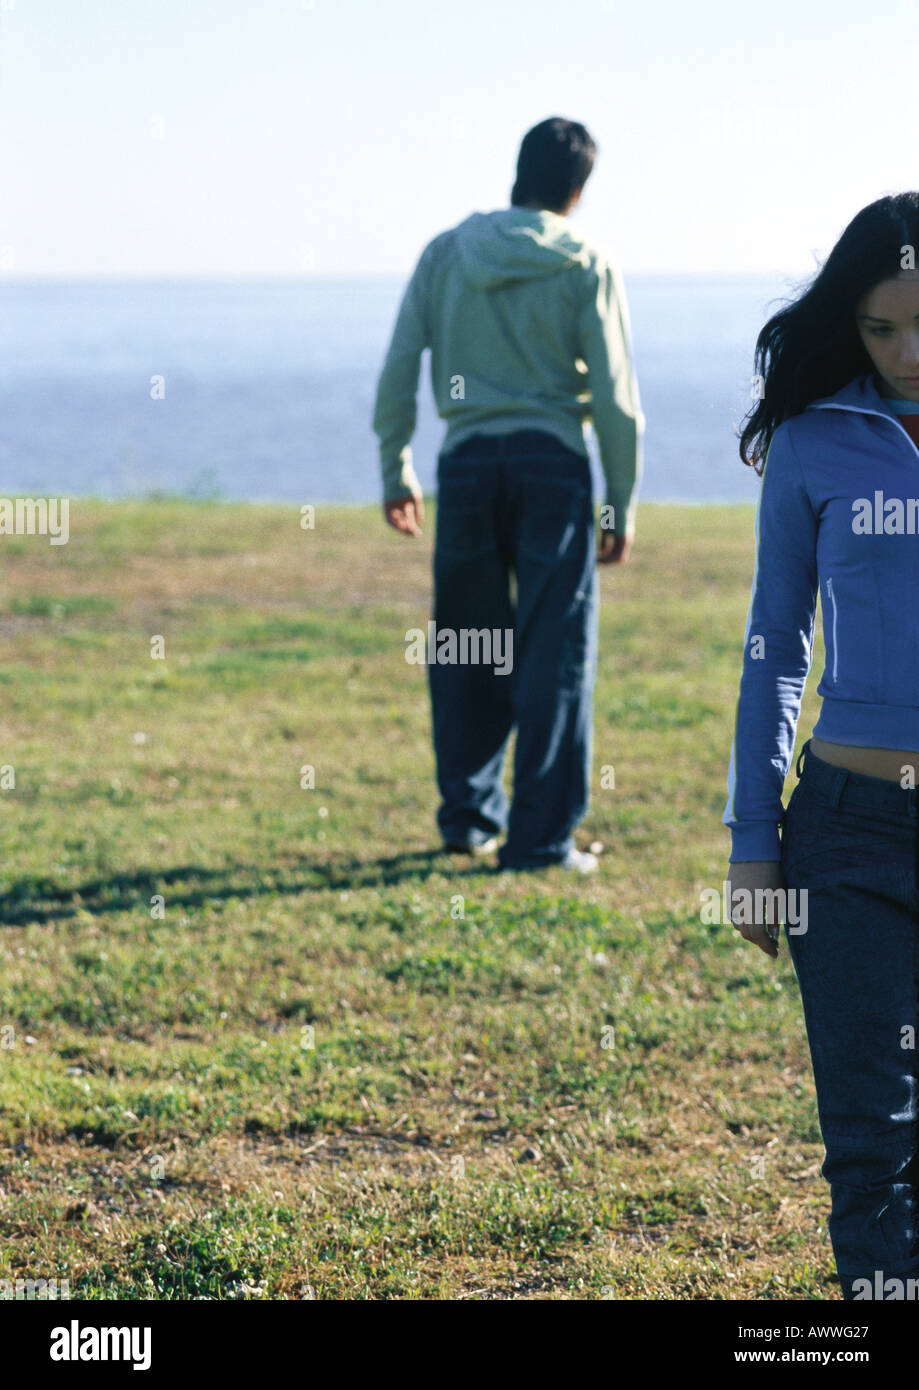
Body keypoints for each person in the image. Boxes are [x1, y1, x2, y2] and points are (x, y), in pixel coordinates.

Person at [724, 191, 919, 1299]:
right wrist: (754, 845)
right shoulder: (811, 444)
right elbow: (773, 648)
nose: (903, 353)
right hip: (847, 840)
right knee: (871, 1143)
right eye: (878, 328)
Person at [372, 117, 643, 872]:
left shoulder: (448, 251)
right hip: (553, 465)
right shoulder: (585, 262)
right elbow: (617, 399)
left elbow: (400, 362)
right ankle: (541, 840)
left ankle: (467, 818)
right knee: (554, 651)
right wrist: (618, 502)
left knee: (467, 643)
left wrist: (395, 465)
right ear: (578, 191)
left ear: (515, 173)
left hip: (464, 465)